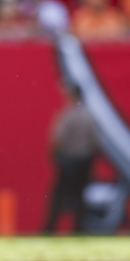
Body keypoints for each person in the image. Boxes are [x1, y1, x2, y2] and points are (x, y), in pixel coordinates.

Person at [44, 84, 101, 234]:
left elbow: (58, 140)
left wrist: (55, 154)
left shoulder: (68, 115)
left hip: (69, 161)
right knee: (81, 197)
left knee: (59, 196)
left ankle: (50, 228)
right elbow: (95, 142)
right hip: (85, 161)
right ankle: (79, 228)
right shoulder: (88, 116)